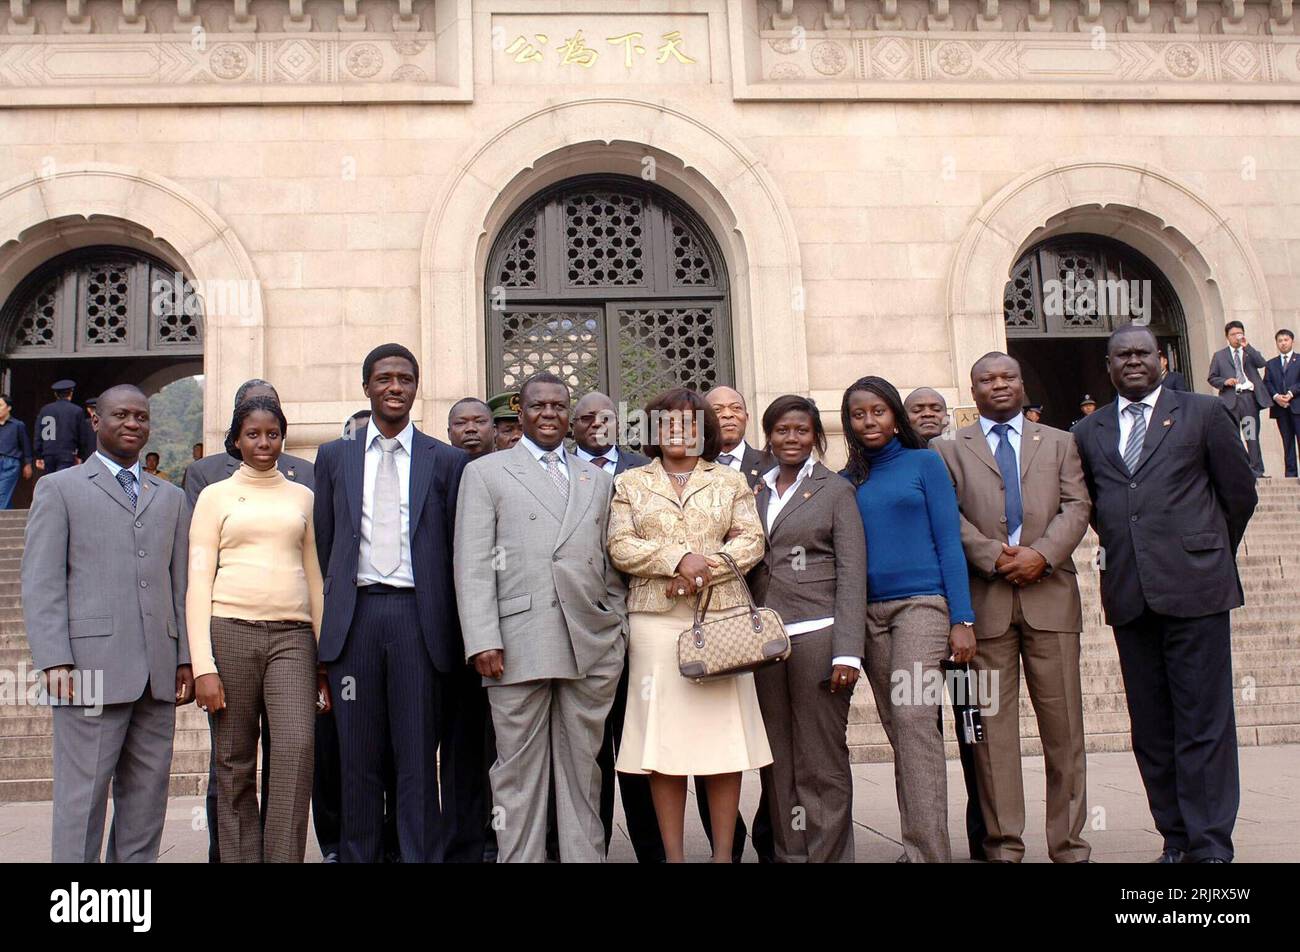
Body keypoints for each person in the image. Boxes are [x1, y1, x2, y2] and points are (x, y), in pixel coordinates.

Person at [1073, 325, 1257, 863]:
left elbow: (1238, 495)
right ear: (1107, 366)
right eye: (1121, 355)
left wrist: (1203, 550)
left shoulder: (1201, 413)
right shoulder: (1090, 430)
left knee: (1203, 723)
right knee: (1152, 729)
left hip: (1196, 590)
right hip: (1130, 594)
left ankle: (1209, 845)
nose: (1132, 361)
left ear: (1163, 358)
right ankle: (1175, 840)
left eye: (1142, 353)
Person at [454, 372, 626, 862]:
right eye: (538, 406)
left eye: (558, 406)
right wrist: (483, 638)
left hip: (588, 643)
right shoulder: (487, 472)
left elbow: (612, 562)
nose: (549, 414)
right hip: (515, 642)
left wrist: (615, 628)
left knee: (583, 770)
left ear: (569, 415)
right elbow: (472, 562)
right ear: (519, 411)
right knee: (517, 774)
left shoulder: (598, 477)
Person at [21, 384, 193, 862]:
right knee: (83, 800)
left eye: (141, 416)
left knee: (146, 801)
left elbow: (179, 584)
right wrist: (55, 659)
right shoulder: (60, 489)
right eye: (121, 415)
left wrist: (184, 659)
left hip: (158, 675)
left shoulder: (172, 497)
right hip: (88, 673)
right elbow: (42, 581)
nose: (133, 424)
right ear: (95, 420)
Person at [934, 353, 1093, 863]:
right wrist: (993, 556)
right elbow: (947, 518)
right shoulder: (947, 448)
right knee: (991, 735)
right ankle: (1003, 845)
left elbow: (1078, 507)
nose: (998, 385)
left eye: (1007, 377)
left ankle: (1068, 843)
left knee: (1064, 731)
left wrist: (1042, 554)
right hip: (985, 606)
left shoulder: (1063, 443)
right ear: (973, 387)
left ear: (1022, 385)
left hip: (1051, 599)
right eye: (987, 379)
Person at [314, 343, 468, 863]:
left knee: (418, 758)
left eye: (404, 378)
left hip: (417, 620)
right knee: (357, 758)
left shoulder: (445, 460)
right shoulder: (334, 456)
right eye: (384, 379)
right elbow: (326, 540)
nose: (395, 387)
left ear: (416, 387)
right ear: (367, 388)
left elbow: (454, 548)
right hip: (355, 619)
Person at [608, 387, 770, 863]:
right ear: (654, 430)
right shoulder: (630, 484)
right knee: (664, 746)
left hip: (722, 624)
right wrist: (676, 560)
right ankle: (673, 858)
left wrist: (703, 569)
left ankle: (724, 857)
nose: (680, 431)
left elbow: (751, 541)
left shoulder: (729, 481)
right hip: (655, 625)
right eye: (669, 422)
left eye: (690, 422)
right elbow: (620, 546)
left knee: (724, 744)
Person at [842, 375, 975, 864]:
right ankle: (918, 843)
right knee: (900, 728)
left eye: (877, 411)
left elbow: (948, 541)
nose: (868, 421)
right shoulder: (847, 480)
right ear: (848, 423)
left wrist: (962, 617)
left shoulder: (925, 463)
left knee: (915, 717)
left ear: (895, 415)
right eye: (858, 414)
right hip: (867, 614)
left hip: (922, 606)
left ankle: (927, 854)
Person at [187, 396, 325, 862]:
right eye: (253, 434)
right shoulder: (215, 496)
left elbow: (316, 579)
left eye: (272, 433)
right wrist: (203, 665)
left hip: (292, 638)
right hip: (230, 632)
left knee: (296, 750)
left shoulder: (303, 495)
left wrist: (323, 658)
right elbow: (197, 582)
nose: (264, 443)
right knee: (233, 761)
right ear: (236, 441)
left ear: (282, 437)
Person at [749, 395, 866, 863]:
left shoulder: (835, 491)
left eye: (800, 430)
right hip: (764, 640)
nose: (790, 438)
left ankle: (829, 855)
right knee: (777, 757)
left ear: (815, 436)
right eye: (781, 430)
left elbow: (853, 572)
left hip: (819, 634)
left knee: (821, 759)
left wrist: (847, 652)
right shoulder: (756, 490)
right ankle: (790, 853)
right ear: (769, 437)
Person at [570, 390, 660, 861]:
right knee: (589, 751)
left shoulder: (643, 469)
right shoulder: (559, 467)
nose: (595, 425)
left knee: (638, 743)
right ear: (572, 424)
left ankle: (651, 849)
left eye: (604, 418)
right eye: (585, 418)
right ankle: (593, 846)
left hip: (640, 622)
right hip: (580, 627)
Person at [904, 385, 987, 860]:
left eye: (936, 407)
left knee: (972, 727)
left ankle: (983, 833)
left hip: (964, 624)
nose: (929, 414)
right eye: (919, 408)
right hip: (922, 624)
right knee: (921, 726)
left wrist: (964, 617)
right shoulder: (902, 465)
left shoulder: (962, 459)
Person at [693, 385, 775, 862]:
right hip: (706, 623)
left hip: (765, 617)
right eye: (716, 409)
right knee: (713, 739)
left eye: (735, 408)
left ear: (748, 415)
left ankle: (769, 833)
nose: (727, 416)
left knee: (769, 740)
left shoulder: (774, 462)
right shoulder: (685, 465)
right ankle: (727, 842)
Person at [440, 396, 498, 863]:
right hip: (448, 634)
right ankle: (462, 841)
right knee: (459, 746)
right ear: (449, 431)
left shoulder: (505, 474)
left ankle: (501, 835)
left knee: (501, 745)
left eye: (480, 421)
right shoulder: (440, 475)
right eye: (461, 423)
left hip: (504, 632)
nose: (471, 429)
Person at [1208, 320, 1269, 478]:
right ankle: (1236, 471)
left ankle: (1256, 470)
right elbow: (1212, 378)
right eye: (1233, 334)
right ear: (1227, 337)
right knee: (1233, 437)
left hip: (1248, 400)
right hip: (1230, 400)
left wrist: (1247, 346)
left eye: (1239, 333)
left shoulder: (1248, 352)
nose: (1237, 337)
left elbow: (1262, 363)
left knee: (1251, 435)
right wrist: (1225, 382)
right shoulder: (1219, 356)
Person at [32, 379, 90, 474]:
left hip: (48, 454)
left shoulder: (45, 410)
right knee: (63, 483)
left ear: (55, 394)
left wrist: (38, 455)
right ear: (71, 393)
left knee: (50, 482)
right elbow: (82, 437)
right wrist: (80, 455)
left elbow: (38, 435)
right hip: (67, 453)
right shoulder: (77, 411)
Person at [1264, 329, 1300, 478]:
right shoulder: (1271, 363)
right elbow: (1267, 383)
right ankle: (1291, 474)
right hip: (1281, 408)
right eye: (1280, 340)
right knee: (1287, 442)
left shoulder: (1299, 359)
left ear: (1292, 341)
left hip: (1297, 406)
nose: (1283, 343)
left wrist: (1291, 393)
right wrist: (1276, 396)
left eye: (1286, 340)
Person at [0, 394, 33, 509]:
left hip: (10, 463)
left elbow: (25, 445)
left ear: (9, 407)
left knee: (3, 492)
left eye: (0, 405)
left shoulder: (18, 425)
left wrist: (28, 464)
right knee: (5, 495)